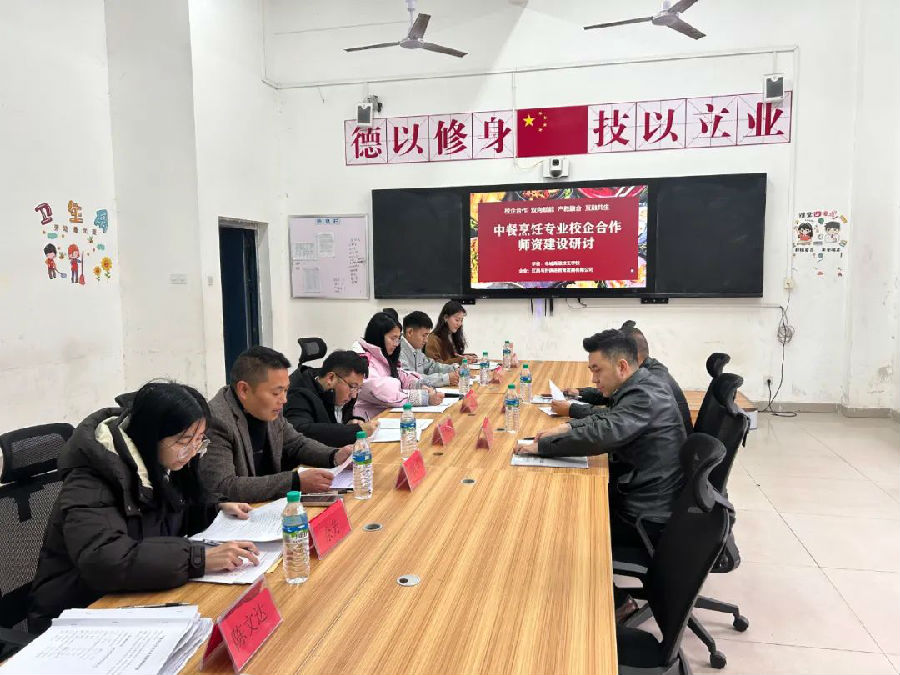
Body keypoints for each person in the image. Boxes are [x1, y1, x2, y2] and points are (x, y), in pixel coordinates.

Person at [28, 382, 260, 634]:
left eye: (199, 440)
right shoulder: (91, 480)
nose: (193, 451)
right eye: (184, 441)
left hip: (130, 598)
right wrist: (197, 559)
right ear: (151, 436)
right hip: (76, 615)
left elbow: (170, 517)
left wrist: (215, 509)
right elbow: (105, 560)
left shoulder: (162, 464)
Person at [516, 329, 686, 616]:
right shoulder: (638, 385)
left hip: (646, 516)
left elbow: (604, 433)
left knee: (560, 523)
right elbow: (608, 418)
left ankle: (616, 603)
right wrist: (568, 427)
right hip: (644, 493)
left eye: (597, 370)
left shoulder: (644, 394)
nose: (594, 379)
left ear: (622, 366)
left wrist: (543, 446)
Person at [200, 346, 352, 503]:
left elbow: (297, 443)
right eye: (276, 393)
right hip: (242, 512)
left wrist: (334, 455)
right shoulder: (217, 420)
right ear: (244, 389)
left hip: (270, 504)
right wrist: (294, 482)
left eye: (286, 390)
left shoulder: (268, 408)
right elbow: (224, 486)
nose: (284, 400)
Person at [558, 321, 693, 436]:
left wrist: (573, 410)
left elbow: (616, 415)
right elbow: (615, 394)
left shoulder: (652, 383)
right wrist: (581, 393)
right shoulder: (644, 371)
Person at [353, 312, 444, 420]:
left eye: (398, 338)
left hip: (387, 415)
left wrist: (417, 385)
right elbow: (385, 391)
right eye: (393, 338)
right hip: (368, 420)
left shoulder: (383, 356)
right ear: (378, 336)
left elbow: (400, 374)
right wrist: (423, 397)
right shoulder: (363, 360)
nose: (396, 343)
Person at [284, 349, 379, 446]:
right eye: (352, 386)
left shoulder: (336, 389)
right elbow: (300, 432)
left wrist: (352, 422)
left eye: (358, 388)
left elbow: (337, 422)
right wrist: (356, 431)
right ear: (330, 378)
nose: (354, 395)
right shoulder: (297, 393)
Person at [399, 310, 460, 388]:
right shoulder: (398, 352)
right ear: (410, 332)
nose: (426, 340)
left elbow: (431, 367)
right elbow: (412, 381)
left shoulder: (416, 348)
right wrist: (444, 379)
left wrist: (454, 368)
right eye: (424, 335)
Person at [425, 300, 478, 365]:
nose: (459, 324)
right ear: (446, 318)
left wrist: (466, 357)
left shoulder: (452, 335)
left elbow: (452, 358)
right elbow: (434, 366)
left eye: (461, 320)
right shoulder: (433, 339)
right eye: (457, 320)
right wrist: (459, 360)